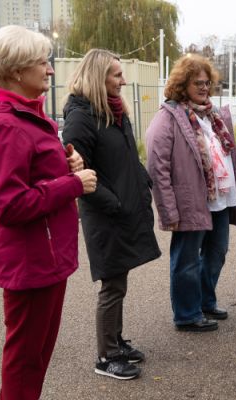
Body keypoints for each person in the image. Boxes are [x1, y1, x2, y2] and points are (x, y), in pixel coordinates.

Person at [0, 25, 97, 399]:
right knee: (25, 361)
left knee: (35, 357)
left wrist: (65, 165)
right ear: (17, 70)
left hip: (45, 258)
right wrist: (73, 184)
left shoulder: (26, 118)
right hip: (30, 262)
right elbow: (7, 204)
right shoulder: (6, 126)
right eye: (43, 62)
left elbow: (31, 177)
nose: (50, 70)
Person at [62, 49, 161, 380]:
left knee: (119, 279)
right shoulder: (82, 117)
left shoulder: (114, 111)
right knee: (112, 284)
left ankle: (116, 341)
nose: (124, 80)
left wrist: (143, 181)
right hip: (106, 214)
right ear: (97, 76)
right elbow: (80, 172)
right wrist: (114, 203)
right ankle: (106, 357)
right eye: (116, 74)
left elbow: (126, 158)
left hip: (124, 209)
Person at [146, 54, 236, 333]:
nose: (204, 87)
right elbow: (157, 166)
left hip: (221, 199)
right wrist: (168, 210)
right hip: (190, 201)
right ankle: (187, 314)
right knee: (186, 259)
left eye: (207, 82)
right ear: (181, 85)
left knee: (217, 252)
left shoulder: (213, 115)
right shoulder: (169, 117)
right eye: (197, 83)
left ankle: (204, 301)